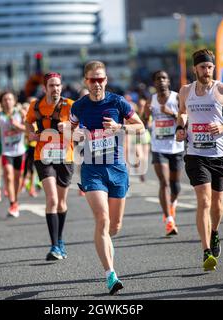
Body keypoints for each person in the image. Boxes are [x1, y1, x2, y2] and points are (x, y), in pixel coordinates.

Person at [70, 61, 144, 294]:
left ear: (106, 80)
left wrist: (119, 127)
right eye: (93, 79)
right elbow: (70, 133)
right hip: (92, 170)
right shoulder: (79, 107)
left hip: (117, 168)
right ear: (86, 81)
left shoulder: (117, 102)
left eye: (101, 79)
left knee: (114, 226)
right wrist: (76, 135)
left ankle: (106, 244)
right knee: (102, 220)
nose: (97, 84)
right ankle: (110, 274)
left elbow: (141, 127)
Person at [176, 49, 223, 272]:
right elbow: (182, 112)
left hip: (219, 155)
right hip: (196, 155)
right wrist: (180, 127)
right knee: (203, 202)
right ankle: (206, 251)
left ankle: (214, 232)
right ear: (195, 68)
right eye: (203, 67)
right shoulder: (186, 91)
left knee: (217, 204)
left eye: (210, 67)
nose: (207, 71)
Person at [25, 72, 75, 260]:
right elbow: (28, 122)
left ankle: (60, 240)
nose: (56, 89)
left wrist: (70, 128)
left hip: (65, 157)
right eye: (52, 86)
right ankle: (54, 245)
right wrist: (31, 134)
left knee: (61, 202)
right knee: (52, 199)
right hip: (43, 156)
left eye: (58, 85)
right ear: (45, 88)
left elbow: (81, 129)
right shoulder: (35, 106)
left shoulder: (70, 106)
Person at [144, 70, 185, 236]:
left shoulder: (176, 98)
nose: (161, 81)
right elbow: (144, 121)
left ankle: (172, 204)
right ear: (154, 83)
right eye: (158, 79)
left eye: (164, 78)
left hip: (176, 147)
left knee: (176, 186)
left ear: (168, 81)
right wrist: (145, 114)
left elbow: (184, 119)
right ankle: (169, 219)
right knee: (164, 183)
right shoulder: (151, 100)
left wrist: (172, 113)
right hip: (158, 146)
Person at [0, 92, 26, 217]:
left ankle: (16, 200)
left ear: (14, 101)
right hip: (6, 151)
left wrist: (18, 126)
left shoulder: (20, 113)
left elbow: (30, 128)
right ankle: (12, 203)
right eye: (5, 99)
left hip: (20, 151)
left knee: (18, 178)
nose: (7, 101)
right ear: (1, 102)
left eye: (9, 99)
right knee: (8, 176)